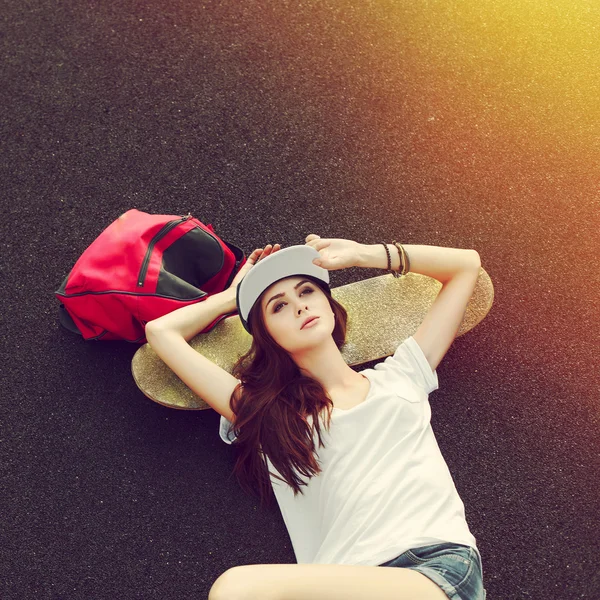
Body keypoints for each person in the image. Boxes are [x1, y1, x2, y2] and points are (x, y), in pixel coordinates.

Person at [146, 234, 487, 600]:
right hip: (339, 581)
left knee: (236, 590)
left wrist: (362, 254)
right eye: (278, 307)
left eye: (307, 291)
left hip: (435, 567)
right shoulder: (270, 415)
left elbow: (465, 265)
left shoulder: (403, 373)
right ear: (268, 337)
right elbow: (161, 333)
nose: (299, 306)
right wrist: (234, 298)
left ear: (328, 301)